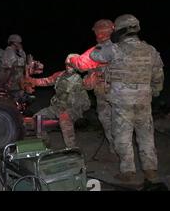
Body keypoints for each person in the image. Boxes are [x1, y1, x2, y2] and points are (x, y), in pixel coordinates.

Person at [89, 14, 164, 183]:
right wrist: (154, 91)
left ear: (120, 30)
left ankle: (128, 171)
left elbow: (94, 56)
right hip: (144, 101)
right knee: (146, 136)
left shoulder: (115, 49)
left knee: (123, 137)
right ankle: (151, 170)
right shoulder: (150, 50)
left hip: (121, 103)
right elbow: (158, 75)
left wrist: (107, 42)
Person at [68, 19, 117, 156]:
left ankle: (116, 149)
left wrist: (71, 58)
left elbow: (81, 64)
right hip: (124, 93)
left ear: (99, 32)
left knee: (107, 120)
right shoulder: (122, 47)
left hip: (105, 93)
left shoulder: (99, 50)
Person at [25, 54, 91, 148]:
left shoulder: (79, 81)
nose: (68, 67)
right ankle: (45, 143)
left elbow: (85, 102)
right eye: (67, 64)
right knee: (37, 118)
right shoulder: (59, 75)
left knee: (64, 119)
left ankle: (72, 148)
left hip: (72, 109)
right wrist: (32, 81)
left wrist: (76, 110)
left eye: (71, 65)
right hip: (57, 107)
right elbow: (46, 81)